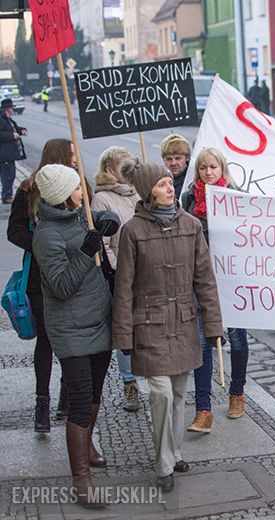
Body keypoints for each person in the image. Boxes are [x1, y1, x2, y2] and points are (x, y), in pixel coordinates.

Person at [113, 159, 222, 491]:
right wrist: (123, 333)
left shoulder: (191, 225)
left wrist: (214, 325)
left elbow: (205, 279)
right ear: (148, 192)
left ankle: (174, 453)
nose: (169, 187)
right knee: (159, 393)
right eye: (160, 184)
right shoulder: (133, 230)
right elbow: (124, 286)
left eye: (169, 182)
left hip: (185, 323)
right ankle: (163, 465)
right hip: (150, 324)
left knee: (177, 394)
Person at [33, 164, 119, 506]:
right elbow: (63, 286)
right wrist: (86, 252)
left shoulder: (80, 215)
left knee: (96, 392)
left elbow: (107, 215)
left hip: (99, 319)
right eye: (77, 187)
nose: (83, 190)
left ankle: (87, 444)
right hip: (70, 329)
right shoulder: (46, 235)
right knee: (80, 399)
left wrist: (104, 221)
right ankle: (81, 480)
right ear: (61, 195)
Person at [7, 138, 77, 432]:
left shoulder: (78, 184)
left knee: (70, 338)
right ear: (60, 156)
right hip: (39, 276)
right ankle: (42, 403)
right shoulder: (29, 189)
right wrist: (43, 246)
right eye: (72, 154)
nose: (76, 159)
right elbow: (14, 231)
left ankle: (65, 394)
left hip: (72, 274)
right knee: (46, 340)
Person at [183, 148, 250, 431]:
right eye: (202, 168)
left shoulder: (237, 196)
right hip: (201, 281)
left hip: (231, 280)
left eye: (212, 167)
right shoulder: (188, 199)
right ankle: (203, 409)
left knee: (236, 341)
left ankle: (237, 392)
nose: (208, 172)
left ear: (222, 168)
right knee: (202, 343)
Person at [90, 146, 141, 412]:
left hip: (146, 273)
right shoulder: (102, 200)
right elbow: (104, 244)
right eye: (124, 166)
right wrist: (119, 273)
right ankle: (130, 383)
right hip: (121, 277)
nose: (130, 170)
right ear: (110, 171)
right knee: (124, 331)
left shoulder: (138, 193)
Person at [0, 97, 27, 203]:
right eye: (12, 108)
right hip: (4, 153)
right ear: (7, 109)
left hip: (9, 153)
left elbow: (15, 129)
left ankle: (8, 195)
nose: (13, 110)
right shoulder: (1, 120)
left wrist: (22, 130)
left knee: (11, 174)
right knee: (7, 175)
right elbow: (2, 134)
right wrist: (12, 135)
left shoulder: (8, 120)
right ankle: (7, 196)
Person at [160, 133, 191, 199]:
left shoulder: (193, 180)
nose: (173, 163)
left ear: (188, 157)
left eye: (178, 158)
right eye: (169, 159)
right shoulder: (157, 182)